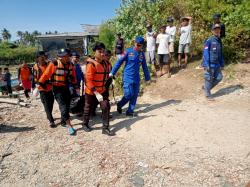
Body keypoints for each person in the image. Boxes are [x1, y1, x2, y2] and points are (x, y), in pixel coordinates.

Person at [39, 48, 78, 135]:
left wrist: (75, 85)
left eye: (68, 56)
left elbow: (73, 76)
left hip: (66, 87)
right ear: (60, 57)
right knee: (63, 106)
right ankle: (69, 126)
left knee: (67, 105)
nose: (67, 57)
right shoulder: (54, 64)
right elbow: (45, 75)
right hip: (57, 88)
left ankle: (63, 121)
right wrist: (41, 84)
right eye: (65, 56)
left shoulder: (70, 64)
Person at [110, 36, 151, 116]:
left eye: (140, 45)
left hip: (136, 78)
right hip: (128, 77)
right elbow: (119, 62)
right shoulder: (128, 52)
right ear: (135, 43)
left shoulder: (142, 54)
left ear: (142, 45)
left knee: (135, 95)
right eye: (137, 44)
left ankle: (130, 111)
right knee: (129, 94)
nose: (138, 46)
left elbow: (144, 66)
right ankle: (120, 104)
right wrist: (112, 72)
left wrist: (147, 78)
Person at [82, 42, 115, 136]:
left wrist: (112, 80)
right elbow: (88, 80)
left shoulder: (106, 63)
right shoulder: (91, 64)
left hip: (102, 89)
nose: (102, 54)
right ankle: (85, 124)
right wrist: (96, 93)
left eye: (103, 51)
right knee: (88, 107)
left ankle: (105, 128)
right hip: (91, 91)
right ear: (94, 52)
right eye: (100, 51)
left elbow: (108, 74)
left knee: (106, 106)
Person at [33, 51, 56, 128]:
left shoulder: (49, 65)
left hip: (50, 87)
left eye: (44, 56)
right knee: (46, 104)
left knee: (51, 102)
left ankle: (49, 115)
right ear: (37, 58)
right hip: (41, 88)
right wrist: (38, 86)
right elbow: (36, 79)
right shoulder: (35, 67)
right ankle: (51, 121)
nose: (43, 58)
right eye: (41, 57)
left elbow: (53, 74)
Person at [202, 24, 224, 100]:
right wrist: (206, 64)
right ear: (212, 31)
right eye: (215, 29)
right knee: (209, 79)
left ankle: (206, 88)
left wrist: (222, 64)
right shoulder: (209, 40)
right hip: (210, 64)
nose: (217, 30)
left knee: (219, 77)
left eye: (218, 29)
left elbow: (220, 53)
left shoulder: (219, 41)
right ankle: (208, 95)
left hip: (217, 64)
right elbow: (205, 53)